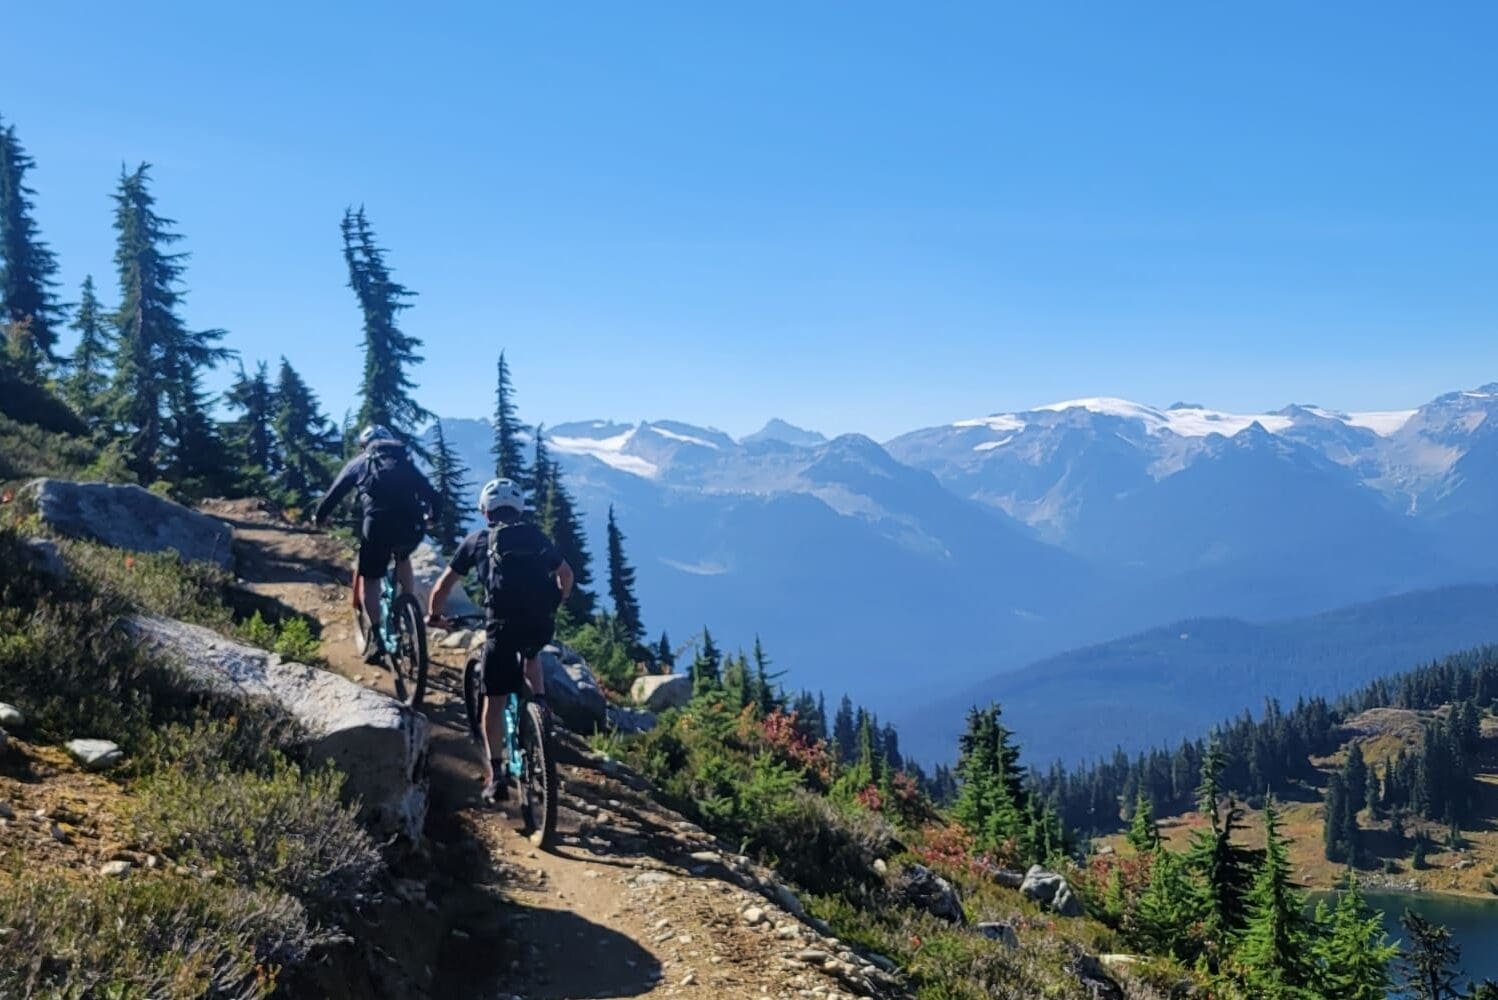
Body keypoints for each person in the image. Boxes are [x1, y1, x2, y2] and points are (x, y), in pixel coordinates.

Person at [427, 478, 573, 802]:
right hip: (539, 625)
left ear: (485, 511)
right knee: (531, 656)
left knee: (493, 704)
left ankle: (496, 775)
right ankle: (541, 708)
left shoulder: (476, 541)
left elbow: (442, 587)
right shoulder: (536, 537)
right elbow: (567, 576)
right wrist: (553, 606)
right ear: (518, 509)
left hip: (502, 628)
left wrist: (434, 616)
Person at [314, 425, 440, 664]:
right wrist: (432, 517)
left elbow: (334, 493)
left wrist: (321, 517)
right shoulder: (404, 461)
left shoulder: (360, 462)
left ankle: (375, 637)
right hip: (412, 526)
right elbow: (432, 495)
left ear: (364, 446)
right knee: (403, 556)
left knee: (370, 578)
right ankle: (407, 608)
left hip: (378, 527)